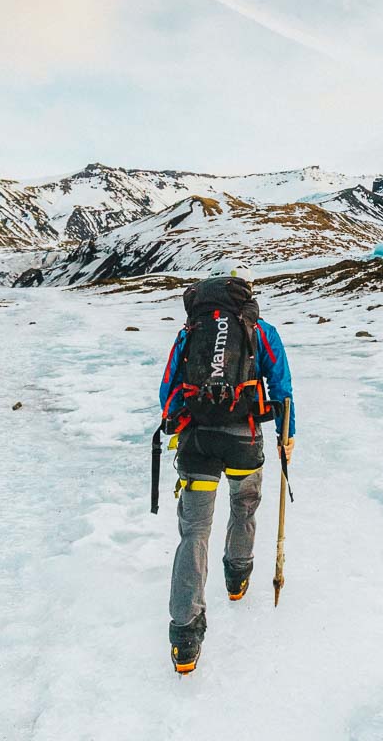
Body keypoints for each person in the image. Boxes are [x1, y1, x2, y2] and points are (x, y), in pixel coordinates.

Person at [157, 264, 295, 675]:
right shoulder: (260, 331)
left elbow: (168, 390)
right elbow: (282, 389)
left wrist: (181, 424)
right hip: (243, 440)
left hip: (198, 442)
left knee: (194, 532)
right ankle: (237, 576)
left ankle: (185, 638)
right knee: (243, 507)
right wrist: (287, 436)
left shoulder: (190, 331)